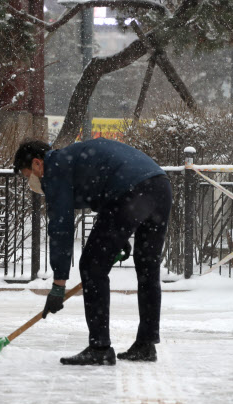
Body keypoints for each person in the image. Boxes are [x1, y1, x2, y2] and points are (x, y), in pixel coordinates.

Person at [13, 138, 172, 365]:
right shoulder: (74, 159)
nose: (30, 181)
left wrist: (59, 284)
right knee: (147, 266)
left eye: (27, 174)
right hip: (159, 185)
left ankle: (100, 348)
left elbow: (61, 227)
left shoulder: (55, 167)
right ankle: (146, 344)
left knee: (91, 265)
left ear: (38, 164)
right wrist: (121, 235)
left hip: (130, 192)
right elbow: (108, 184)